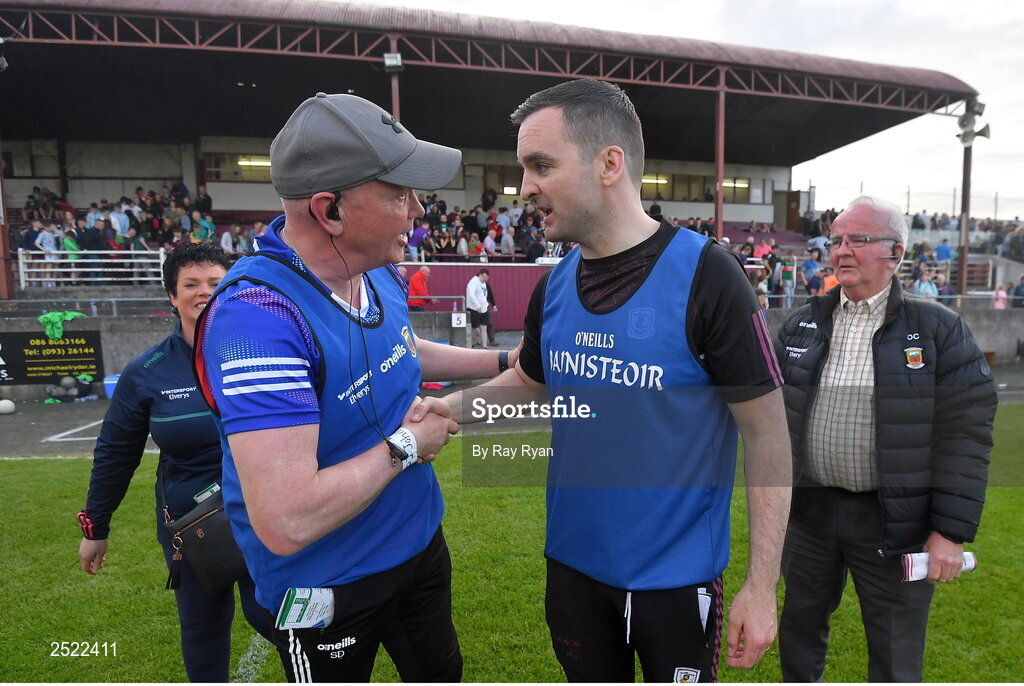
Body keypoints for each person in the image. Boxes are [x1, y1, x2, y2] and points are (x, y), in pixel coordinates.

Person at [445, 79, 791, 682]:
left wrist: (761, 588)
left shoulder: (709, 276)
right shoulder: (554, 284)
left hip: (676, 583)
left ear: (610, 164)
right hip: (574, 570)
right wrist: (444, 415)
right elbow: (530, 385)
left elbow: (767, 436)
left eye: (542, 165)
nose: (524, 187)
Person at [194, 92, 518, 683]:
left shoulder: (373, 269)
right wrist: (406, 447)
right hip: (329, 584)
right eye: (400, 194)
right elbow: (287, 519)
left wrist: (502, 356)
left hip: (418, 547)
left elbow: (399, 350)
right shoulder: (257, 318)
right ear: (330, 211)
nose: (419, 209)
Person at [774, 195, 997, 682]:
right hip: (810, 516)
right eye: (836, 240)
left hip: (896, 525)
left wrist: (950, 532)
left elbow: (967, 435)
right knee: (799, 631)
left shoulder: (939, 329)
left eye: (858, 239)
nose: (841, 251)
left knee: (896, 652)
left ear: (895, 253)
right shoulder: (803, 322)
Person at [77, 243, 273, 682]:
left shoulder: (266, 349)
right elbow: (115, 451)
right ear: (172, 295)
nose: (204, 292)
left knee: (278, 618)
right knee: (203, 629)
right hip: (195, 526)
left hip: (269, 514)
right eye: (191, 284)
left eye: (215, 282)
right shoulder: (147, 371)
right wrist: (96, 526)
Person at [466, 268, 491, 348]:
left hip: (484, 308)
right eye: (484, 277)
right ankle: (473, 343)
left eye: (486, 278)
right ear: (480, 275)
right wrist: (477, 306)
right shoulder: (474, 282)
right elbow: (471, 294)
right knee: (475, 328)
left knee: (484, 328)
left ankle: (484, 346)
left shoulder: (484, 284)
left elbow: (484, 295)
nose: (485, 279)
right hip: (474, 308)